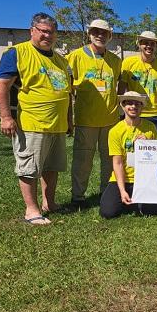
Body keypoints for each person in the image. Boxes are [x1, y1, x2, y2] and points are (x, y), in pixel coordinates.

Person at [0, 12, 72, 225]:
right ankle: (32, 210)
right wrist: (5, 116)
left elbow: (66, 93)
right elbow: (2, 85)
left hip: (57, 125)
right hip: (32, 123)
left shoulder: (60, 60)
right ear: (32, 31)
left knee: (52, 167)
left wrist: (69, 119)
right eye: (43, 31)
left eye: (52, 32)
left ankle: (50, 203)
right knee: (29, 168)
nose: (48, 35)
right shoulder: (17, 53)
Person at [67, 19, 122, 208]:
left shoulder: (115, 61)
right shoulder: (75, 56)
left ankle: (105, 194)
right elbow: (67, 87)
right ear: (89, 33)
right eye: (96, 31)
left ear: (110, 36)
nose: (100, 35)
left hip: (110, 119)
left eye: (104, 32)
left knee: (109, 161)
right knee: (83, 161)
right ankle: (78, 197)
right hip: (86, 119)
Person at [99, 91, 157, 219]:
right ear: (123, 106)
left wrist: (149, 144)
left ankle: (135, 200)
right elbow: (118, 162)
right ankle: (127, 196)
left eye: (137, 104)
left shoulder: (150, 127)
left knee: (152, 210)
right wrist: (122, 190)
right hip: (122, 178)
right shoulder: (115, 131)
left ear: (142, 107)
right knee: (107, 212)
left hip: (144, 179)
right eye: (129, 103)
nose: (133, 107)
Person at [122, 31, 157, 139]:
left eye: (152, 43)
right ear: (139, 44)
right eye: (145, 43)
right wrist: (123, 112)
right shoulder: (128, 63)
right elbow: (122, 88)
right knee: (134, 150)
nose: (149, 46)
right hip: (135, 113)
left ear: (156, 46)